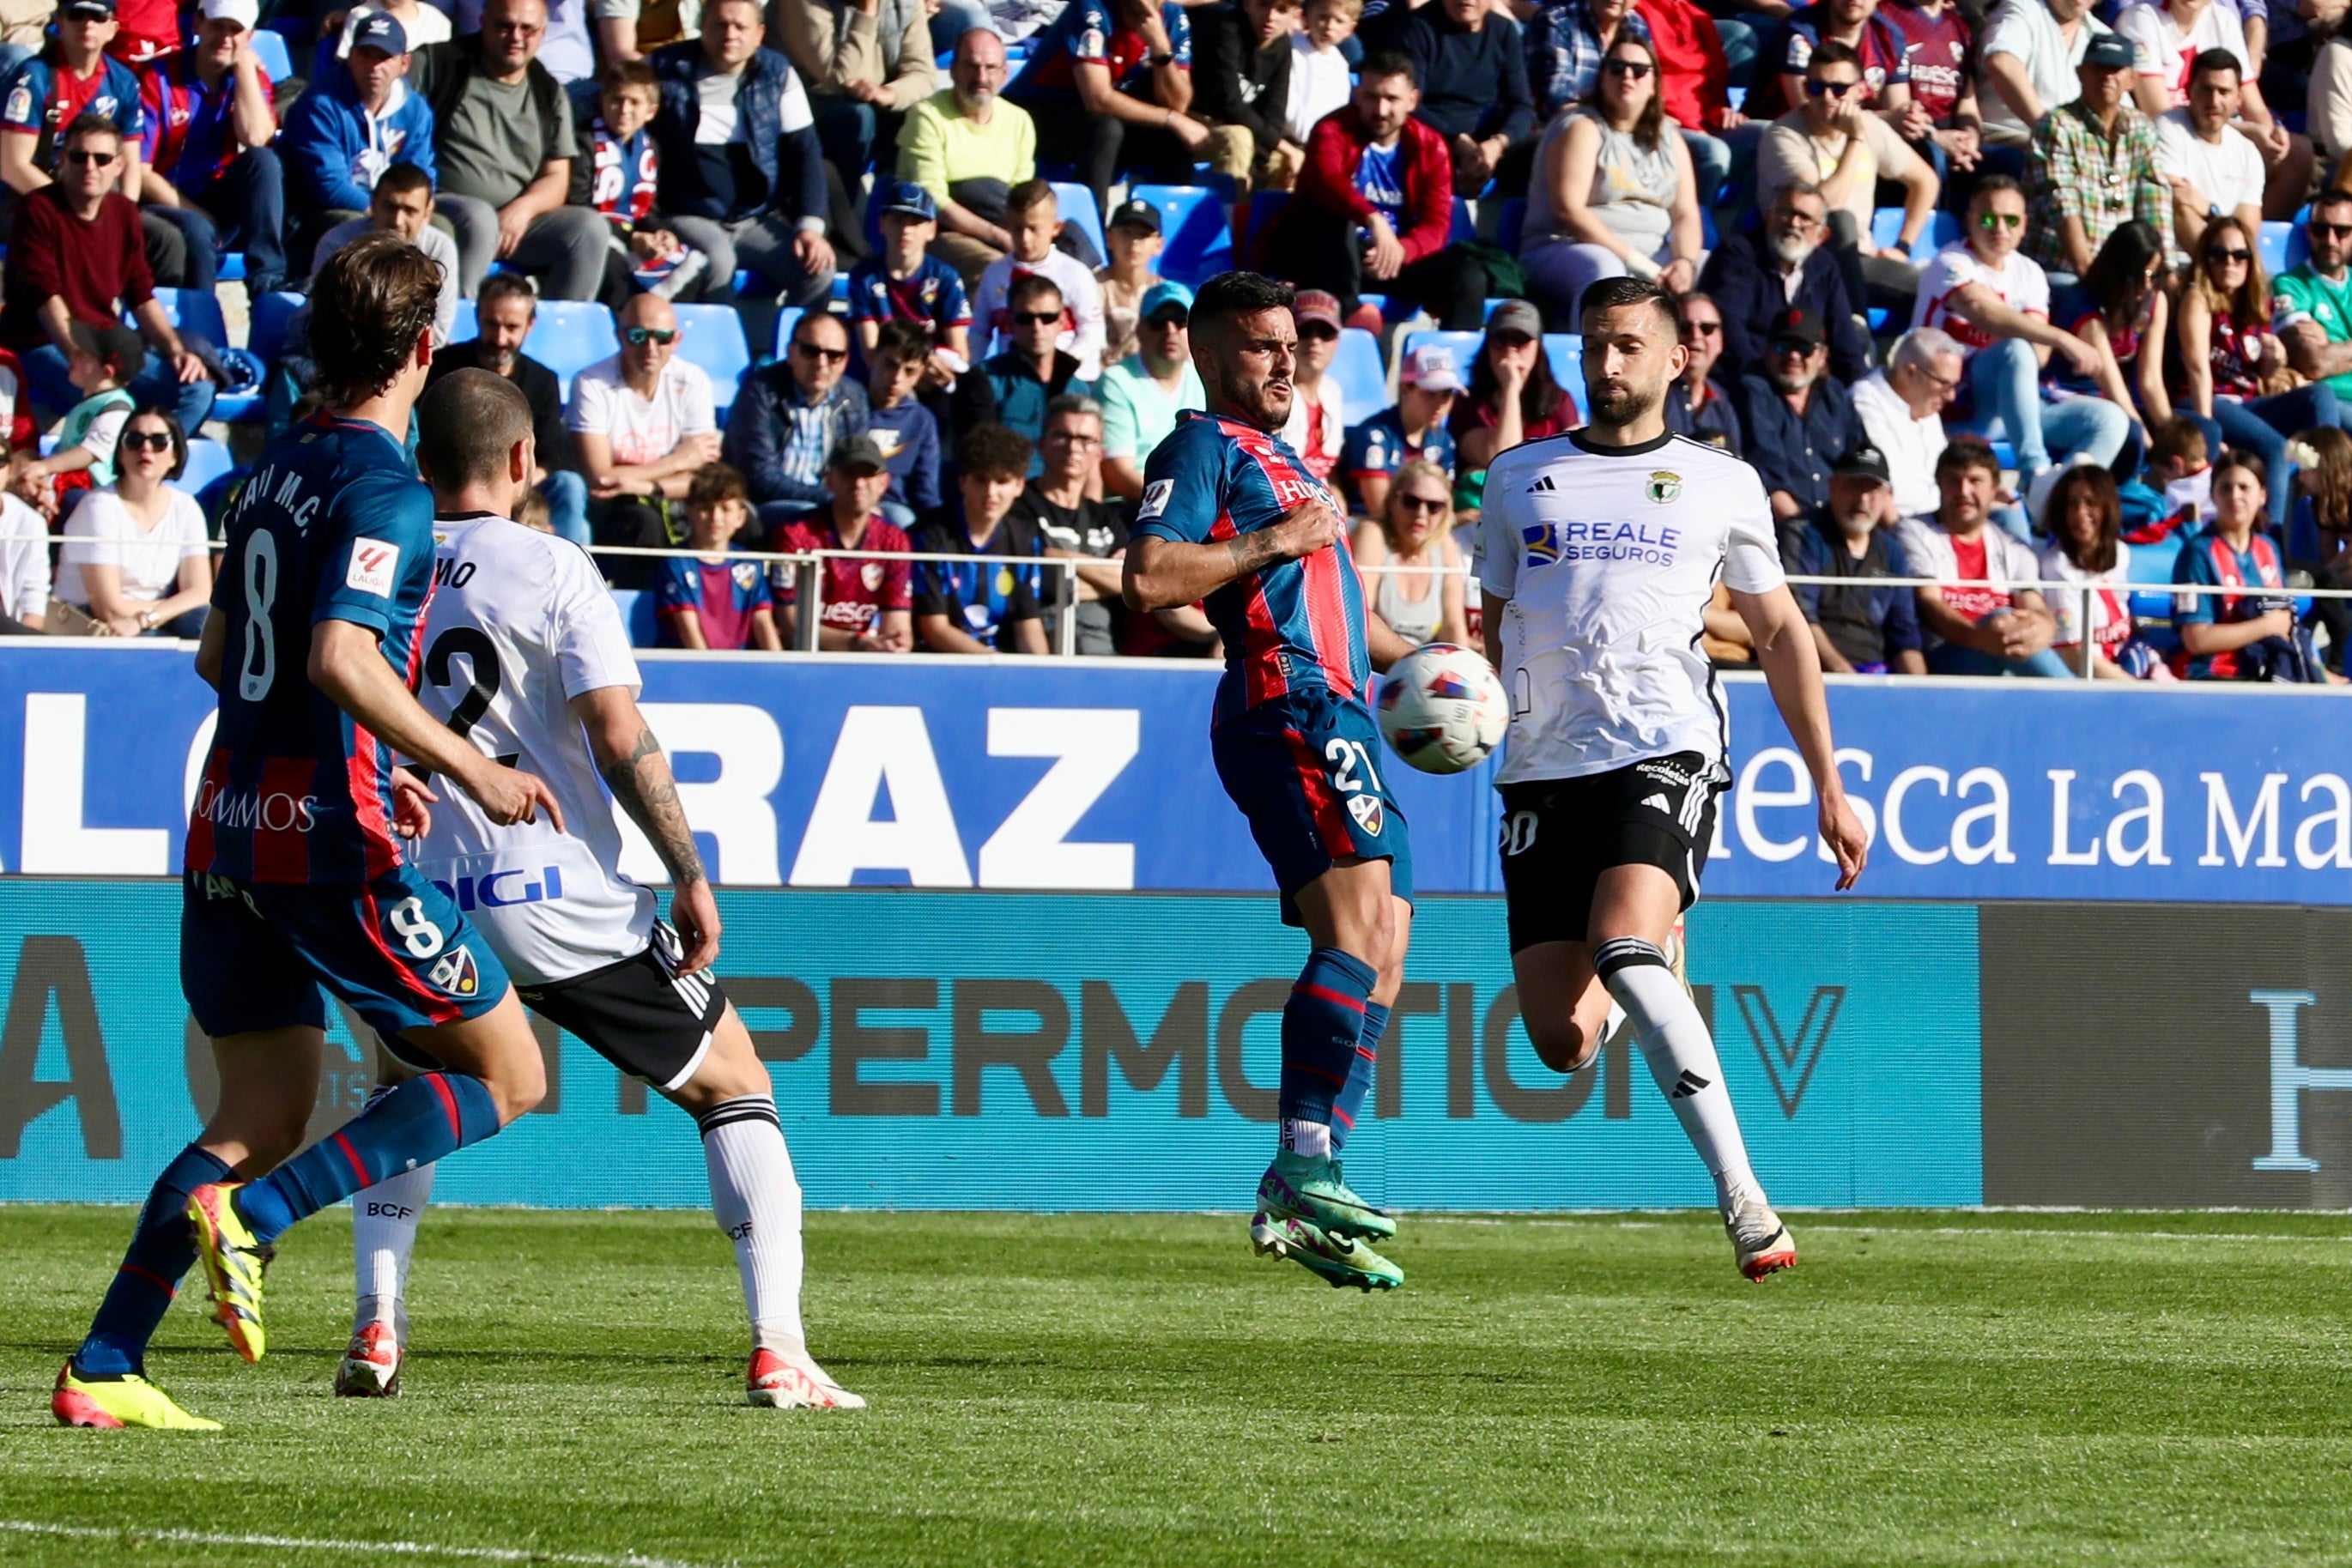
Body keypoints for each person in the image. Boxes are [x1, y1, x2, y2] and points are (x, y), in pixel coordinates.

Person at [51, 233, 562, 1433]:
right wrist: (463, 761)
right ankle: (265, 1219)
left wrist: (372, 749)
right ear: (425, 350)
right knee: (508, 1072)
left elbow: (222, 656)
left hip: (229, 822)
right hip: (327, 838)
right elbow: (336, 654)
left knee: (258, 1111)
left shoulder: (271, 471)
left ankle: (107, 1360)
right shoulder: (388, 486)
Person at [336, 369, 862, 1409]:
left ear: (420, 461)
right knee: (732, 1082)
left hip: (421, 892)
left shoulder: (382, 562)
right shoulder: (552, 564)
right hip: (553, 889)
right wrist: (688, 871)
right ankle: (779, 1349)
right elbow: (619, 734)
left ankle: (376, 1327)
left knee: (410, 1091)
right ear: (527, 462)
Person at [1478, 275, 1866, 1282]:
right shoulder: (1519, 476)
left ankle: (1745, 1201)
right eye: (1592, 347)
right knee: (1558, 1042)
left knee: (1624, 943)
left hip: (1664, 742)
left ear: (1675, 358)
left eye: (1626, 347)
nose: (1606, 365)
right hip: (1540, 768)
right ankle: (1645, 956)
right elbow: (1496, 618)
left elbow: (1779, 630)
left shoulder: (1719, 480)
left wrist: (1828, 781)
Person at [1122, 270, 1417, 1293]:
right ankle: (1300, 1163)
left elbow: (1353, 620)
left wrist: (1430, 666)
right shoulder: (1201, 447)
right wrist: (1274, 539)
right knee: (1356, 932)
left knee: (1388, 942)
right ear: (1208, 356)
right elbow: (1153, 576)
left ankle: (1311, 1181)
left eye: (1291, 343)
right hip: (1284, 698)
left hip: (1345, 705)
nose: (1283, 360)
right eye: (1258, 346)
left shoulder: (1291, 461)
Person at [1912, 174, 2124, 500]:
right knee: (2013, 349)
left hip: (2013, 407)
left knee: (2109, 420)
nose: (2000, 229)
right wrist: (2063, 339)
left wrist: (2042, 340)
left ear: (2024, 226)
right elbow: (1980, 309)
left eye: (2010, 220)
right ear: (1970, 220)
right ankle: (2035, 471)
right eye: (1988, 218)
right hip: (1957, 401)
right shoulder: (1950, 262)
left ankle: (2060, 504)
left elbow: (2037, 356)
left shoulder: (2030, 273)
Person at [0, 114, 213, 433]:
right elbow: (46, 297)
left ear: (118, 165)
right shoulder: (36, 210)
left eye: (101, 159)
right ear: (61, 160)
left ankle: (149, 469)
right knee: (115, 400)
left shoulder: (124, 213)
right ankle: (122, 468)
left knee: (197, 389)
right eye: (78, 156)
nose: (90, 167)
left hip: (105, 343)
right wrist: (78, 355)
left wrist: (177, 350)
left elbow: (142, 296)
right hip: (41, 345)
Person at [1255, 52, 1488, 330]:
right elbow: (1327, 182)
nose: (1380, 109)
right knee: (1332, 215)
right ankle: (1350, 314)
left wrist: (1402, 250)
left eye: (1392, 99)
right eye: (1371, 97)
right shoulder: (1331, 130)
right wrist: (1373, 219)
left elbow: (1436, 224)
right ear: (1356, 95)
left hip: (1390, 256)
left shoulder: (1431, 147)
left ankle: (1454, 365)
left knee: (1467, 275)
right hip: (1323, 254)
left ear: (1412, 100)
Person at [406, 0, 608, 300]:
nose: (516, 37)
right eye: (505, 26)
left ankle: (553, 337)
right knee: (480, 218)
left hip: (517, 222)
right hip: (443, 208)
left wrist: (523, 209)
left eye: (527, 29)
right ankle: (458, 330)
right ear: (483, 22)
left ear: (543, 32)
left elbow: (557, 176)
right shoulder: (439, 64)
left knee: (589, 230)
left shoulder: (548, 91)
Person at [648, 0, 836, 311]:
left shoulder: (778, 74)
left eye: (740, 27)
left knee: (818, 268)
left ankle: (798, 353)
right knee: (719, 261)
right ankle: (717, 353)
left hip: (754, 218)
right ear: (702, 26)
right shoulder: (663, 68)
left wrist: (809, 228)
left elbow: (805, 153)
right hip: (689, 214)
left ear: (760, 33)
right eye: (720, 24)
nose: (730, 34)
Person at [1520, 33, 1705, 327]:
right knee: (1606, 270)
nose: (1627, 76)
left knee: (1712, 266)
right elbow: (1569, 210)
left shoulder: (1670, 138)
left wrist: (1685, 262)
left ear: (1654, 83)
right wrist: (1637, 263)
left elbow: (1685, 213)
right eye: (1617, 68)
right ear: (1602, 77)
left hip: (1650, 256)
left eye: (1639, 70)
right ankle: (1593, 364)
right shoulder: (1582, 127)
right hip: (1565, 248)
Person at [1757, 41, 1937, 319]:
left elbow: (1925, 181)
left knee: (1940, 292)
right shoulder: (1783, 136)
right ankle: (1857, 332)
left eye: (1839, 89)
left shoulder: (1871, 126)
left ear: (1860, 91)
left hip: (1858, 258)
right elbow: (1823, 208)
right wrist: (1855, 139)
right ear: (1806, 89)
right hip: (1798, 257)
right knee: (1841, 222)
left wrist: (1903, 246)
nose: (1828, 97)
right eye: (1817, 88)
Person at [1007, 0, 1232, 220]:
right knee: (1105, 129)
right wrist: (1172, 119)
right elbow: (1098, 99)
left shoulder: (1172, 17)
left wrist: (1161, 49)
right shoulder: (1091, 9)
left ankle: (1158, 232)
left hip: (1105, 114)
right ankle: (1089, 231)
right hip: (1038, 110)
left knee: (1172, 138)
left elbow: (1177, 103)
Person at [569, 292, 723, 588]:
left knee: (737, 515)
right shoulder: (591, 383)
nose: (650, 348)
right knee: (643, 521)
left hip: (670, 499)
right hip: (610, 510)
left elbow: (704, 481)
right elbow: (601, 478)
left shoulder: (693, 381)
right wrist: (679, 461)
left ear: (676, 340)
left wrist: (644, 485)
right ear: (619, 336)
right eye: (638, 335)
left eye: (662, 337)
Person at [426, 273, 590, 548]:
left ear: (530, 325)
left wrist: (511, 487)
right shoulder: (443, 368)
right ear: (478, 318)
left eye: (511, 327)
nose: (500, 338)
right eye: (492, 324)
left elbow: (551, 456)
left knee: (569, 487)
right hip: (452, 478)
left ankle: (567, 567)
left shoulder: (542, 380)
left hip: (520, 481)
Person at [135, 0, 283, 299]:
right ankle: (204, 314)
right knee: (197, 229)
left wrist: (243, 70)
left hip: (218, 197)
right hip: (164, 200)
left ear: (249, 36)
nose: (225, 38)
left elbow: (256, 136)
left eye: (235, 30)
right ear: (198, 23)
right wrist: (198, 214)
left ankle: (267, 283)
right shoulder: (157, 77)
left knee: (264, 163)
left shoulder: (250, 77)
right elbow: (139, 170)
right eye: (217, 26)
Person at [1894, 435, 2072, 675]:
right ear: (1939, 484)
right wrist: (1979, 637)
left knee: (2013, 627)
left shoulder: (2014, 547)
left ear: (1994, 488)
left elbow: (2036, 609)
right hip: (1945, 656)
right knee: (2003, 621)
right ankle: (2077, 703)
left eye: (1975, 481)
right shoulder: (1914, 531)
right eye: (1953, 481)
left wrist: (2042, 630)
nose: (1963, 491)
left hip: (2006, 652)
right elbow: (1929, 603)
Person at [51, 406, 212, 636]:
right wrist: (167, 610)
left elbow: (200, 592)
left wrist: (147, 618)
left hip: (147, 621)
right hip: (91, 620)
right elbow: (108, 607)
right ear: (121, 453)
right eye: (134, 440)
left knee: (206, 622)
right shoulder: (98, 506)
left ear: (175, 455)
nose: (146, 448)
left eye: (159, 441)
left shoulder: (186, 507)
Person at [894, 28, 1037, 286]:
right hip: (940, 232)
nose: (981, 77)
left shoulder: (1020, 121)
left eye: (991, 67)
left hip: (1001, 225)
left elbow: (1021, 197)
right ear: (953, 70)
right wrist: (999, 236)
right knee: (997, 272)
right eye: (971, 66)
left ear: (1005, 73)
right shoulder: (926, 116)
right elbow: (933, 201)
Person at [281, 13, 438, 245]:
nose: (374, 66)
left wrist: (412, 212)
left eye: (384, 57)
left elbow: (420, 174)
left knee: (440, 229)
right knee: (359, 227)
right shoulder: (321, 104)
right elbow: (330, 186)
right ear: (350, 57)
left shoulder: (415, 109)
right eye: (366, 55)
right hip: (320, 213)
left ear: (404, 64)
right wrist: (383, 214)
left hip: (389, 210)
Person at [1697, 181, 1872, 386]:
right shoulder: (1737, 254)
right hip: (1744, 382)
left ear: (1821, 236)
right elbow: (1731, 333)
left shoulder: (1825, 267)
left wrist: (1860, 390)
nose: (1793, 223)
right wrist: (1767, 386)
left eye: (1805, 218)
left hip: (1804, 386)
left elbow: (1845, 343)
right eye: (1786, 213)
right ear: (1768, 216)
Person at [2027, 32, 2172, 279]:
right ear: (2080, 72)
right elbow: (2061, 203)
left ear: (2132, 80)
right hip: (2062, 269)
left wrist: (2161, 274)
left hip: (2125, 274)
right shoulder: (2057, 125)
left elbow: (2155, 204)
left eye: (2115, 69)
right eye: (2098, 67)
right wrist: (2092, 279)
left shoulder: (2141, 128)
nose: (2107, 76)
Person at [0, 0, 149, 239]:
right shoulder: (33, 77)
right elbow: (13, 166)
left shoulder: (123, 82)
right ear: (59, 22)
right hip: (33, 198)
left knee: (166, 239)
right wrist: (72, 212)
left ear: (112, 28)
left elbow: (130, 165)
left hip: (96, 195)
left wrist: (123, 214)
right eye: (77, 15)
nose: (87, 24)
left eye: (98, 17)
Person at [2170, 449, 2318, 679]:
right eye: (2225, 488)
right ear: (2213, 494)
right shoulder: (2197, 554)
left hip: (2269, 671)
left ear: (2263, 496)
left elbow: (2284, 622)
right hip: (2214, 677)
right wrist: (2267, 626)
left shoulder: (2268, 548)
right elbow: (2196, 640)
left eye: (2244, 488)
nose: (2234, 496)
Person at [1781, 443, 1927, 674]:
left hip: (1877, 674)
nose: (1862, 499)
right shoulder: (1803, 534)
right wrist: (1845, 675)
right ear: (1833, 486)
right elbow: (1799, 616)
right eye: (1853, 487)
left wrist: (1921, 691)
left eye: (1873, 490)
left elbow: (1905, 636)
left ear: (1887, 496)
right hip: (1814, 673)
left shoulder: (1893, 551)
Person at [772, 0, 937, 195]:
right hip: (808, 102)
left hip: (875, 96)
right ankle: (835, 213)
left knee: (917, 113)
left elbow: (923, 73)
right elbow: (843, 80)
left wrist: (890, 94)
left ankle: (902, 212)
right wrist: (866, 13)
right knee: (857, 116)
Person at [914, 421, 1050, 652]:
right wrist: (994, 665)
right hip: (939, 664)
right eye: (981, 480)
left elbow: (1028, 623)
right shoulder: (931, 535)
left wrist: (1041, 676)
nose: (991, 493)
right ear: (963, 481)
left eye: (1002, 481)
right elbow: (934, 628)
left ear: (1019, 486)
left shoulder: (1024, 537)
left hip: (1000, 664)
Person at [1381, 0, 1536, 195]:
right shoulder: (1417, 28)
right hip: (1430, 135)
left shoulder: (1503, 31)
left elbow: (1521, 105)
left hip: (1483, 143)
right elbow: (1409, 103)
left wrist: (1498, 144)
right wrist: (1456, 141)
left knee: (1544, 148)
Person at [728, 307, 870, 518]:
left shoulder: (854, 398)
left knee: (895, 519)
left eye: (833, 355)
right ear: (790, 353)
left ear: (845, 362)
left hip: (833, 506)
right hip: (769, 504)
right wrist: (829, 500)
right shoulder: (760, 393)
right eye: (810, 351)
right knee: (806, 516)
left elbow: (854, 464)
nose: (821, 363)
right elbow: (759, 477)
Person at [1014, 392, 1127, 654]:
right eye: (1062, 435)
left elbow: (1133, 581)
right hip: (1041, 651)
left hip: (1105, 654)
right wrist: (1108, 579)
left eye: (1085, 440)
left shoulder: (1106, 517)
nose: (1073, 447)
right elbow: (1038, 575)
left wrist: (1060, 559)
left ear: (1100, 452)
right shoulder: (1020, 506)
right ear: (1042, 444)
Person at [2049, 217, 2170, 460]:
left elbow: (2150, 382)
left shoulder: (2153, 300)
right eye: (2142, 275)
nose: (2148, 284)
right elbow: (2114, 389)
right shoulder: (2085, 308)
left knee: (2204, 433)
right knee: (2134, 436)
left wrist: (2173, 437)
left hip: (2115, 400)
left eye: (2155, 275)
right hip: (2072, 399)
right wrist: (2154, 448)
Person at [306, 163, 461, 353]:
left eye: (410, 211)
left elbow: (438, 330)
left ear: (427, 213)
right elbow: (321, 318)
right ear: (373, 203)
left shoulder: (439, 249)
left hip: (408, 359)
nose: (397, 220)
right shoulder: (338, 243)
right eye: (390, 207)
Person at [1736, 306, 1863, 521]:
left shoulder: (1835, 395)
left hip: (1842, 523)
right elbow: (1768, 477)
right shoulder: (1754, 391)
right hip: (1785, 526)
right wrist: (1803, 534)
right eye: (1783, 346)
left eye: (1804, 348)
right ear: (1767, 350)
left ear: (1822, 356)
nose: (1793, 356)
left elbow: (1862, 458)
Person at [2035, 460, 2161, 677]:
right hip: (2091, 685)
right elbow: (2073, 654)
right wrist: (2136, 690)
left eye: (2090, 502)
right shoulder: (2057, 568)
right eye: (2072, 504)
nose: (2080, 513)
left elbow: (2123, 620)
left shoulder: (2120, 553)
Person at [973, 179, 1108, 378]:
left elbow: (1094, 331)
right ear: (1006, 225)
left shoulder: (1075, 273)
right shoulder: (995, 273)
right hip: (1014, 380)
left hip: (1071, 380)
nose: (1025, 239)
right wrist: (971, 374)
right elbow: (978, 332)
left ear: (1056, 228)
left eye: (1034, 228)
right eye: (1018, 228)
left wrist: (1064, 364)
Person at [847, 179, 974, 388]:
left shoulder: (946, 278)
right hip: (882, 380)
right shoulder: (864, 277)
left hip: (933, 381)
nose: (906, 230)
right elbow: (870, 353)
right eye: (897, 219)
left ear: (932, 230)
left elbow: (960, 354)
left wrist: (923, 369)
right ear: (881, 224)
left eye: (915, 222)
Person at [10, 321, 137, 511]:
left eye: (83, 354)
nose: (73, 357)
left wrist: (45, 467)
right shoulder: (88, 405)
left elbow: (92, 451)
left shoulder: (117, 407)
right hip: (68, 484)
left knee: (74, 502)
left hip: (93, 493)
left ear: (106, 371)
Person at [1099, 280, 1206, 499]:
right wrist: (1171, 505)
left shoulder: (1205, 380)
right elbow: (1118, 472)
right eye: (1158, 322)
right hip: (1135, 507)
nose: (1170, 330)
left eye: (1180, 321)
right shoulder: (1116, 381)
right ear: (1140, 331)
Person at [659, 461, 782, 648]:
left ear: (741, 517)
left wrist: (779, 671)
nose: (715, 517)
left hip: (738, 668)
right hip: (693, 670)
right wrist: (709, 672)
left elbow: (763, 623)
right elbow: (688, 631)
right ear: (689, 511)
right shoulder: (677, 562)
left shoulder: (749, 563)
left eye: (725, 509)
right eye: (706, 508)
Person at [2156, 48, 2265, 256]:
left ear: (2239, 98)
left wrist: (2209, 210)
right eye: (2206, 90)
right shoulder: (2168, 126)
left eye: (2224, 92)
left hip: (2231, 266)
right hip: (2177, 260)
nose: (2214, 101)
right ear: (2188, 91)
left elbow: (2247, 232)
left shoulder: (2248, 152)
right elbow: (2177, 198)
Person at [1744, 0, 1919, 124]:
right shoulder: (1800, 33)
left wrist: (1914, 122)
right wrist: (1888, 118)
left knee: (1926, 150)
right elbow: (1811, 114)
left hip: (1859, 136)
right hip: (1789, 137)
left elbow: (1899, 113)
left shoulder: (1890, 37)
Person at [1453, 300, 1580, 471]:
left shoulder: (1559, 400)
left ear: (1538, 347)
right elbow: (1502, 460)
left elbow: (1577, 461)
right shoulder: (1467, 403)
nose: (1510, 351)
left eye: (1521, 340)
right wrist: (1510, 389)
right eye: (1501, 340)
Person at [1352, 457, 1465, 645]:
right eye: (1411, 502)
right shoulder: (1373, 534)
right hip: (1375, 666)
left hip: (1425, 666)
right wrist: (1413, 660)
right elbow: (1360, 620)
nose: (1421, 514)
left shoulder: (1445, 545)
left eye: (1434, 506)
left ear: (1447, 511)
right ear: (1392, 501)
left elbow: (1453, 628)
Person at [1194, 0, 1304, 194]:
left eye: (1281, 10)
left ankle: (1269, 222)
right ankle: (1232, 218)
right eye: (1263, 5)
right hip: (1198, 120)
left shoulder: (1282, 46)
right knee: (1238, 139)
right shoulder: (1226, 29)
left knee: (1293, 159)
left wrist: (1258, 163)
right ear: (1247, 4)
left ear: (1295, 15)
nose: (1270, 17)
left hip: (1248, 128)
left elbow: (1274, 114)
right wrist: (1280, 146)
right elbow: (1229, 103)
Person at [1852, 325, 1960, 520]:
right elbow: (1882, 488)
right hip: (1907, 525)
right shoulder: (1866, 401)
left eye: (1954, 385)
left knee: (2009, 511)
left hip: (1944, 519)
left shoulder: (1926, 405)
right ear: (1910, 373)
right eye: (1944, 384)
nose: (1952, 396)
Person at [1343, 339, 1459, 516]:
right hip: (1369, 528)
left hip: (1420, 529)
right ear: (1405, 389)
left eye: (1446, 395)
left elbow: (1443, 504)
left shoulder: (1444, 441)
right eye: (1430, 394)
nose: (1439, 404)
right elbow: (1379, 511)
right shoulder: (1374, 435)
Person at [979, 273, 1094, 452]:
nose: (1037, 327)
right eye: (1025, 318)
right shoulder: (983, 380)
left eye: (1048, 318)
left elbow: (1090, 459)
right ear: (1010, 322)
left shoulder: (1079, 389)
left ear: (1062, 321)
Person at [1979, 0, 2107, 149]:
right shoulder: (2022, 8)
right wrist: (2048, 129)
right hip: (2010, 139)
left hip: (2078, 150)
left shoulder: (2104, 37)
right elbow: (2002, 63)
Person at [2274, 193, 2352, 432]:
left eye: (2341, 231)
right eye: (2320, 229)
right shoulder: (2290, 285)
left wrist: (2332, 346)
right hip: (2333, 400)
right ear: (2308, 232)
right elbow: (2314, 363)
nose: (2330, 240)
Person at [1885, 0, 1982, 179]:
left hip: (1954, 136)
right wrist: (1936, 137)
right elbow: (1901, 111)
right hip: (1911, 137)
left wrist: (1970, 140)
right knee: (1932, 156)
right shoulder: (1887, 15)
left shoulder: (1960, 27)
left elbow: (1967, 106)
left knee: (2008, 160)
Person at [862, 318, 943, 526]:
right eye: (890, 365)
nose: (897, 378)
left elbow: (926, 491)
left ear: (920, 375)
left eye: (909, 371)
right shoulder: (848, 404)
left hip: (895, 510)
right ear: (873, 358)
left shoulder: (922, 421)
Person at [1278, 287, 1345, 481]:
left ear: (1337, 342)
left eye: (1325, 333)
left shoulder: (1333, 391)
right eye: (1305, 331)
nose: (1315, 341)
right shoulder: (1272, 395)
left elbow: (1329, 473)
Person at [1664, 290, 1742, 453]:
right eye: (1684, 327)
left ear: (1720, 341)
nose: (1696, 336)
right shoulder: (1653, 393)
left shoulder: (1724, 403)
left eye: (1707, 328)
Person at [1098, 196, 1166, 370]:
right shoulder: (1092, 285)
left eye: (1143, 235)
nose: (1134, 243)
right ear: (1109, 238)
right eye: (1126, 232)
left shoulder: (1164, 293)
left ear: (1159, 245)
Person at [1282, 0, 1357, 149]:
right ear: (1306, 17)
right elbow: (1287, 104)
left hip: (1321, 144)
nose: (1330, 26)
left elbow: (1339, 109)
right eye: (1323, 17)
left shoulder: (1340, 65)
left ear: (1350, 29)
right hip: (1288, 140)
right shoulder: (1291, 49)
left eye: (1339, 21)